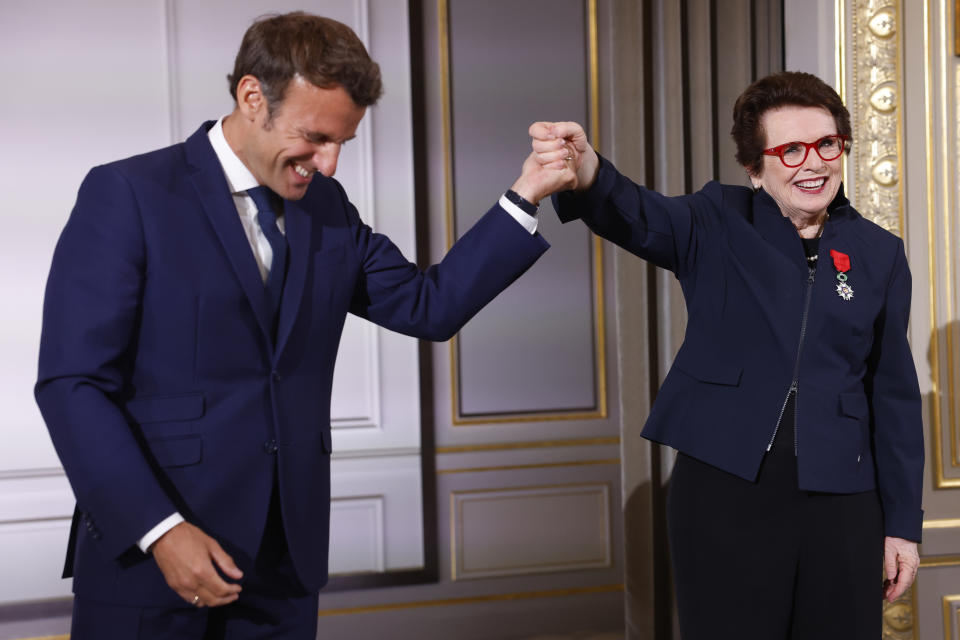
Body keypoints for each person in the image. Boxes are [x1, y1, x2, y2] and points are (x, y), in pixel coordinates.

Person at [35, 12, 564, 639]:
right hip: (150, 560)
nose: (330, 163)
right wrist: (161, 530)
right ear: (252, 96)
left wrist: (527, 193)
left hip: (284, 568)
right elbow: (73, 384)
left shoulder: (326, 207)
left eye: (343, 142)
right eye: (314, 137)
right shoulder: (129, 193)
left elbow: (430, 305)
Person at [528, 71, 923, 639]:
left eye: (827, 144)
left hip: (845, 503)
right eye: (790, 149)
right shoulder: (716, 220)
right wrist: (586, 168)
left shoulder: (880, 253)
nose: (813, 163)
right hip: (725, 494)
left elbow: (893, 394)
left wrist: (903, 526)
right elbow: (638, 213)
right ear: (754, 167)